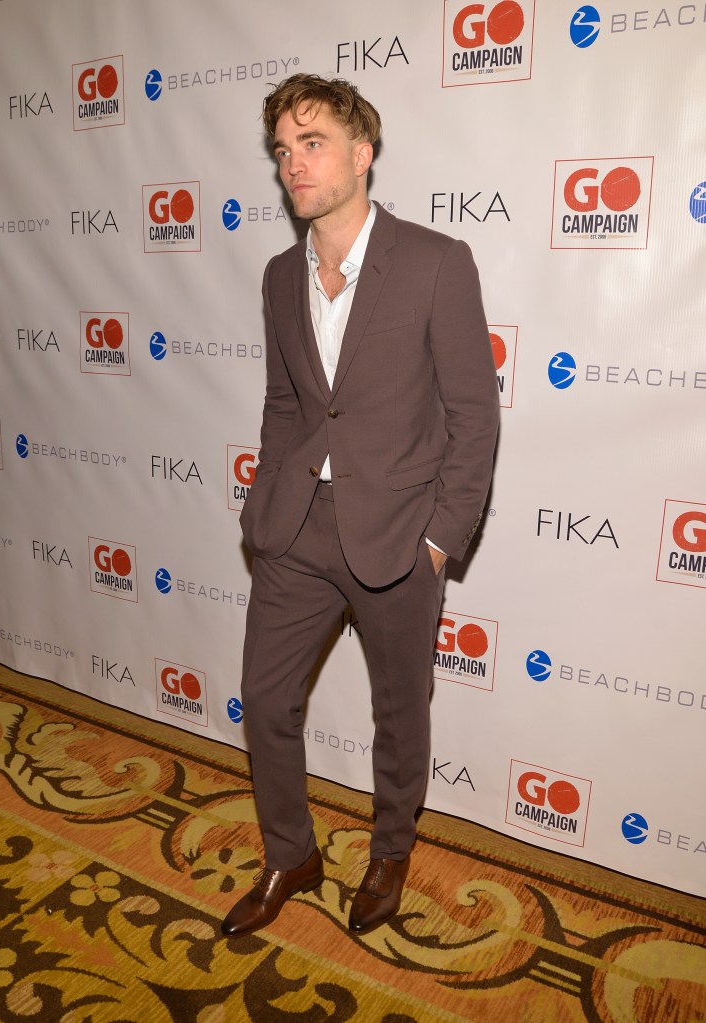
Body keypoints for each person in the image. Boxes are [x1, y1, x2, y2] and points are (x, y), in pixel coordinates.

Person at [221, 74, 499, 937]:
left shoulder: (436, 261)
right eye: (283, 150)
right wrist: (266, 502)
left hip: (400, 534)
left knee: (398, 713)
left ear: (362, 154)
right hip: (296, 529)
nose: (293, 164)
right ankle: (290, 853)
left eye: (312, 144)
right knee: (264, 697)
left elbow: (474, 415)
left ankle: (390, 851)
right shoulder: (280, 276)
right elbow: (285, 403)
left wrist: (440, 540)